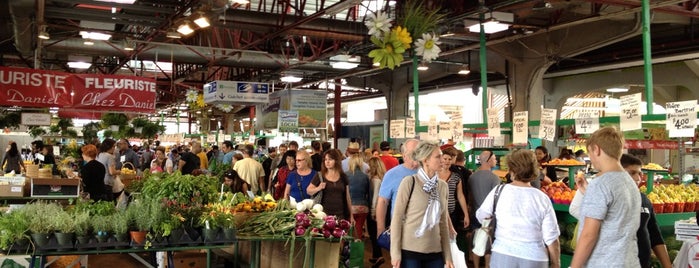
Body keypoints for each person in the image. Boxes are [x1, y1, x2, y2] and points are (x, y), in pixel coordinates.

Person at [569, 154, 672, 268]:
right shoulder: (605, 196)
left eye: (639, 173)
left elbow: (655, 235)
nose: (638, 178)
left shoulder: (643, 199)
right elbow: (587, 226)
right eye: (632, 173)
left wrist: (667, 265)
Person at [476, 149, 561, 268]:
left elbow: (482, 216)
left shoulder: (498, 192)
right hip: (534, 257)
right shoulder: (542, 198)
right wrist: (556, 263)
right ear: (534, 170)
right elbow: (551, 236)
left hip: (502, 253)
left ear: (511, 169)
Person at [570, 127, 641, 268]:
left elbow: (588, 235)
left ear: (596, 149)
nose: (590, 158)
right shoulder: (630, 182)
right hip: (629, 261)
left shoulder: (600, 184)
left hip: (604, 263)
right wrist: (588, 192)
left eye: (590, 153)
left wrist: (574, 267)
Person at [390, 141, 453, 268]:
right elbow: (396, 219)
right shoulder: (409, 183)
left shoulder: (442, 187)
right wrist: (395, 253)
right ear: (426, 160)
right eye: (438, 156)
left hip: (435, 251)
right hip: (410, 251)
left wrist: (448, 256)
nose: (443, 160)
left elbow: (443, 223)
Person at [376, 138, 419, 239]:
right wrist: (380, 228)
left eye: (419, 152)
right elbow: (382, 202)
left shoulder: (428, 172)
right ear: (404, 156)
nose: (417, 156)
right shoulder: (392, 174)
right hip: (400, 229)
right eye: (413, 153)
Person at [467, 150, 501, 268]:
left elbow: (469, 196)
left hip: (475, 214)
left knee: (477, 241)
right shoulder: (494, 178)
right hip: (490, 216)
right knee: (488, 243)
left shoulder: (472, 177)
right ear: (488, 160)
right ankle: (487, 266)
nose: (496, 161)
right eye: (495, 158)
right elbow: (497, 199)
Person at [307, 149, 354, 221]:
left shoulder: (343, 176)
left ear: (336, 160)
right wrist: (319, 188)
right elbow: (308, 191)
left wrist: (351, 215)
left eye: (330, 159)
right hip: (323, 216)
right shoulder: (320, 175)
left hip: (341, 215)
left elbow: (348, 197)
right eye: (325, 159)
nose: (327, 162)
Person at [439, 147, 470, 234]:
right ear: (440, 159)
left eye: (449, 159)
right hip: (436, 213)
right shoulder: (434, 175)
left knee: (451, 238)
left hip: (452, 214)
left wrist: (466, 214)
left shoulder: (456, 176)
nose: (447, 161)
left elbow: (460, 196)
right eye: (445, 159)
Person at [366, 157, 387, 267]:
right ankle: (376, 255)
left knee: (373, 234)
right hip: (382, 209)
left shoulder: (375, 180)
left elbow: (375, 197)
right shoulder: (382, 178)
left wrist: (373, 211)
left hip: (375, 210)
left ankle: (379, 256)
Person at [345, 149, 370, 239]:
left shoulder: (345, 175)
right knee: (358, 230)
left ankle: (347, 251)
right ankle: (357, 249)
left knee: (347, 230)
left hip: (350, 207)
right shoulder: (365, 176)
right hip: (363, 207)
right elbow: (368, 192)